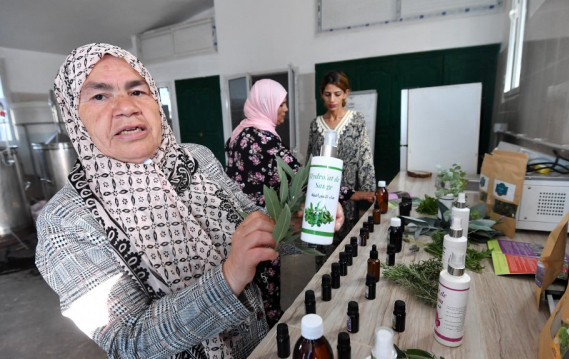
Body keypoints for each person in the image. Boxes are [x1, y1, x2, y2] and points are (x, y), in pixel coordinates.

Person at [34, 43, 343, 359]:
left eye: (137, 91)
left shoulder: (196, 159)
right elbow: (129, 342)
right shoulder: (66, 221)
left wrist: (297, 223)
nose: (126, 106)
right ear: (74, 115)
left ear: (156, 101)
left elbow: (254, 222)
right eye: (100, 96)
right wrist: (228, 277)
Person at [224, 79, 299, 328]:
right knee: (266, 285)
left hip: (239, 224)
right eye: (282, 103)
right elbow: (298, 176)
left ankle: (253, 332)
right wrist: (347, 193)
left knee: (249, 286)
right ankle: (268, 337)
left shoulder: (241, 133)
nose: (285, 108)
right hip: (263, 225)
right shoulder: (263, 139)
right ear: (267, 104)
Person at [307, 70, 376, 240]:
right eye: (327, 94)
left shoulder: (356, 121)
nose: (332, 100)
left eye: (337, 94)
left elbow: (365, 159)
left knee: (346, 247)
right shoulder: (315, 125)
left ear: (346, 93)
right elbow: (310, 162)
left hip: (350, 199)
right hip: (322, 196)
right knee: (321, 242)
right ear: (321, 94)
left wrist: (370, 193)